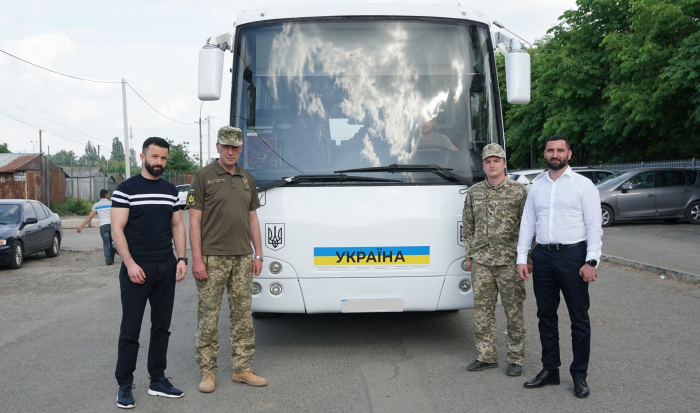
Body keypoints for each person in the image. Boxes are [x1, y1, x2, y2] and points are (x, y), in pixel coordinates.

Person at [516, 135, 603, 399]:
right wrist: (522, 257)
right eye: (550, 150)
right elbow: (528, 224)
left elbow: (594, 227)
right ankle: (550, 369)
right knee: (545, 316)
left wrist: (591, 261)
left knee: (579, 318)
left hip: (573, 256)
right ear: (544, 153)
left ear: (569, 153)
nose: (555, 154)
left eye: (560, 150)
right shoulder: (536, 187)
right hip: (542, 256)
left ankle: (579, 375)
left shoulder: (583, 186)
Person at [188, 126, 267, 393]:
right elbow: (194, 220)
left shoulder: (247, 178)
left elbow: (253, 218)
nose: (230, 151)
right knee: (208, 317)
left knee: (243, 316)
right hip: (212, 259)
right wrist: (196, 259)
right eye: (225, 146)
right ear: (218, 146)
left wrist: (258, 254)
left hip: (243, 258)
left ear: (241, 148)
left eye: (235, 147)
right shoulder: (203, 176)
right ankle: (208, 372)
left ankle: (242, 369)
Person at [111, 137, 188, 409]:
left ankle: (157, 380)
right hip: (137, 267)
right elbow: (117, 229)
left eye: (164, 158)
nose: (159, 163)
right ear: (143, 157)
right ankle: (124, 384)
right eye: (155, 157)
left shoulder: (170, 191)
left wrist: (181, 258)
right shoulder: (126, 189)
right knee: (130, 330)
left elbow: (178, 226)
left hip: (165, 266)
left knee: (162, 327)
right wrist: (130, 264)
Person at [462, 143, 530, 377]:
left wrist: (527, 258)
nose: (492, 165)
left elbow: (529, 227)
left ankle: (515, 358)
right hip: (481, 261)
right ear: (483, 165)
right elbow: (468, 226)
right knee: (482, 312)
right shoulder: (474, 192)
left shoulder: (519, 192)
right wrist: (469, 255)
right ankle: (486, 355)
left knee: (514, 312)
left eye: (496, 160)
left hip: (510, 261)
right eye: (488, 161)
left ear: (504, 163)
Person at [77, 189, 116, 265]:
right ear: (105, 194)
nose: (109, 195)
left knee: (105, 243)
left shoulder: (96, 205)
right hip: (112, 226)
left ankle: (108, 259)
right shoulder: (112, 204)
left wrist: (81, 226)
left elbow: (89, 217)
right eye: (108, 194)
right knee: (112, 243)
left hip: (103, 226)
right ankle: (112, 259)